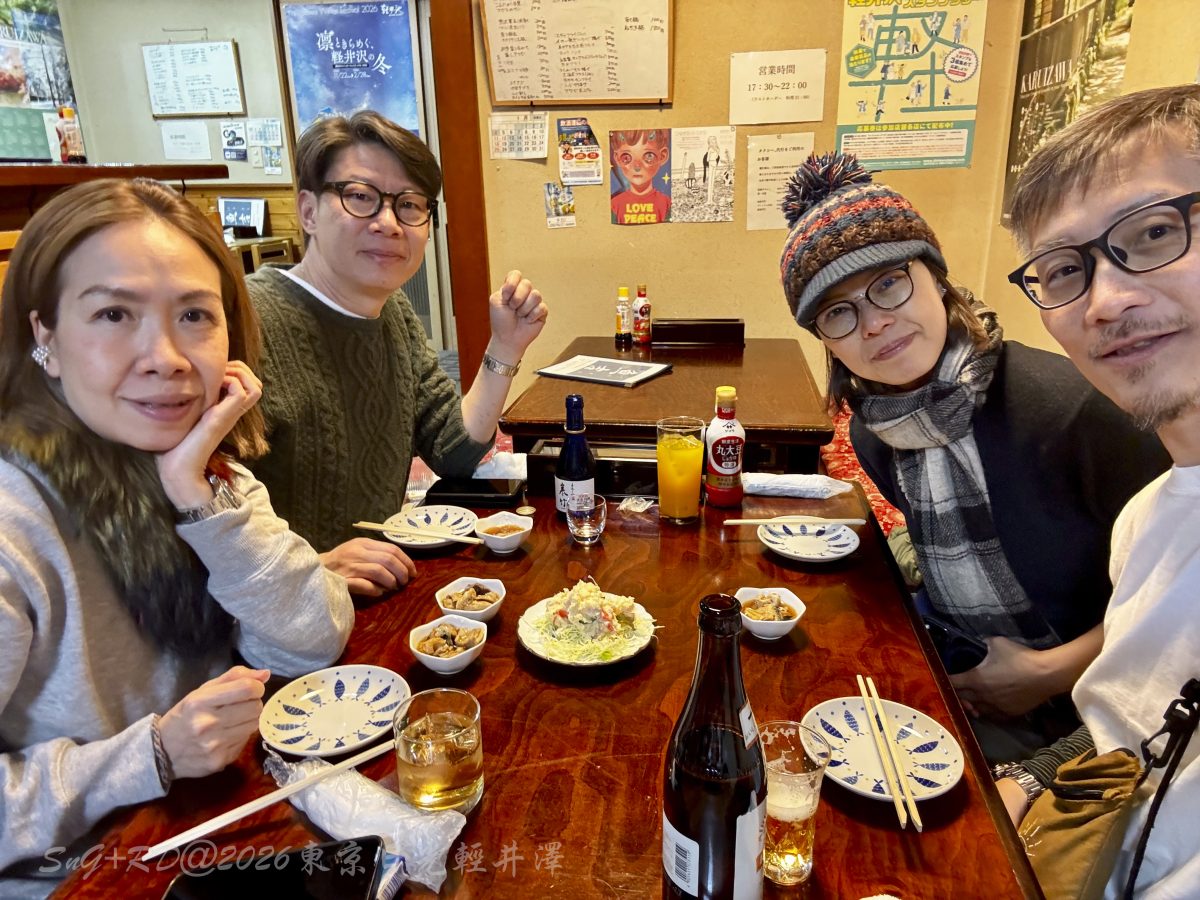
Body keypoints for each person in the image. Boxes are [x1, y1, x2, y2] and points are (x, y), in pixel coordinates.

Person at [0, 179, 354, 894]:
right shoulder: (15, 525)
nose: (165, 356)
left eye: (194, 314)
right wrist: (150, 754)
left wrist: (198, 496)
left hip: (220, 839)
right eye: (113, 314)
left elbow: (311, 640)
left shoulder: (204, 469)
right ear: (46, 338)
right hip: (89, 878)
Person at [778, 152, 1169, 760]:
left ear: (936, 277)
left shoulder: (1072, 408)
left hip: (1103, 709)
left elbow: (1179, 598)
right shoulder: (875, 431)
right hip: (961, 665)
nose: (874, 324)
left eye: (888, 284)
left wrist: (1048, 673)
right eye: (838, 313)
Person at [999, 83, 1200, 895]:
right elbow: (1128, 720)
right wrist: (1030, 781)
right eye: (1064, 270)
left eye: (1154, 233)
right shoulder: (1149, 519)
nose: (1108, 301)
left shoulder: (1055, 408)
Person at [245, 112, 548, 597]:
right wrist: (310, 568)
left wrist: (505, 346)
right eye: (360, 197)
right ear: (308, 211)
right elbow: (192, 507)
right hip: (278, 618)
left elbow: (453, 451)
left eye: (408, 205)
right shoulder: (244, 320)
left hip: (378, 598)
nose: (388, 223)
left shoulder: (394, 313)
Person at [609, 129, 671, 225]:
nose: (637, 167)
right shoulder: (614, 205)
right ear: (617, 158)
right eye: (626, 157)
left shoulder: (667, 204)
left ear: (662, 156)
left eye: (649, 156)